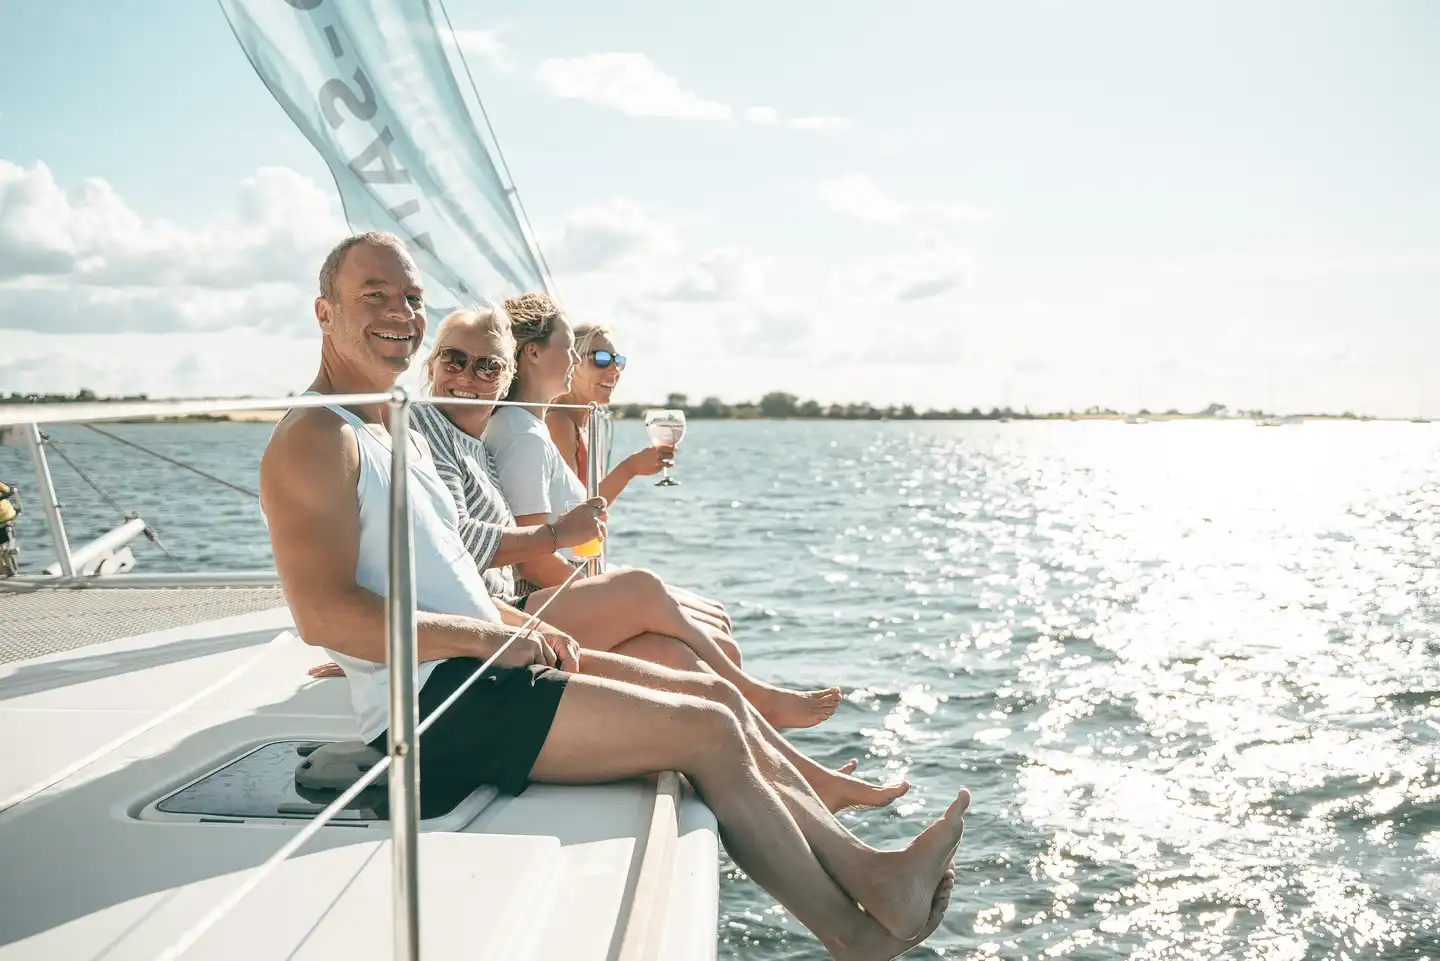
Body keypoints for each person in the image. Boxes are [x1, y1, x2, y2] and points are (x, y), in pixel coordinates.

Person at [262, 232, 969, 959]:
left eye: (411, 298)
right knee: (708, 734)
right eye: (373, 295)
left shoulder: (394, 429)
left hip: (481, 677)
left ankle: (873, 877)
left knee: (719, 702)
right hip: (434, 712)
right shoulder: (318, 435)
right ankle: (853, 933)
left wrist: (509, 622)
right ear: (324, 311)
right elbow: (326, 616)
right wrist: (489, 638)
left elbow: (450, 578)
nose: (401, 312)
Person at [483, 293, 843, 731]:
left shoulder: (528, 428)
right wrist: (601, 589)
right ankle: (758, 701)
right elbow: (534, 557)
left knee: (684, 641)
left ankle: (785, 759)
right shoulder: (522, 435)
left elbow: (555, 529)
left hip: (552, 592)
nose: (578, 358)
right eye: (575, 349)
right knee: (657, 602)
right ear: (534, 354)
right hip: (532, 605)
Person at [545, 320, 664, 507]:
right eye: (601, 359)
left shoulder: (581, 423)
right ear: (573, 362)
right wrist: (630, 468)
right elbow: (573, 511)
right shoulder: (559, 423)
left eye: (618, 361)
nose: (614, 370)